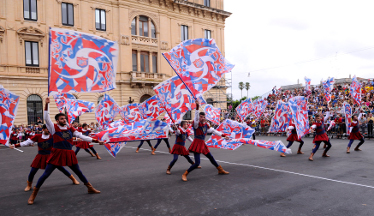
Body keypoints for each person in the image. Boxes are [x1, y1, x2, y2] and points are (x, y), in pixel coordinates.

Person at [27, 97, 104, 205]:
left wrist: (96, 140)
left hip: (69, 153)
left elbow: (81, 136)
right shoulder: (53, 128)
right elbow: (46, 117)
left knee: (79, 172)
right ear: (57, 121)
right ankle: (33, 195)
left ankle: (89, 187)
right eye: (62, 119)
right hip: (57, 154)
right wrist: (46, 104)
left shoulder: (70, 128)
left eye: (65, 118)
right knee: (45, 174)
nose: (65, 120)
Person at [10, 125, 80, 191]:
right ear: (43, 129)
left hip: (51, 156)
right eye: (47, 129)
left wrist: (76, 139)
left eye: (49, 129)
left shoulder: (53, 136)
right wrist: (15, 145)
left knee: (62, 168)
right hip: (40, 156)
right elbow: (27, 142)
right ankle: (29, 185)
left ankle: (73, 179)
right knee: (32, 171)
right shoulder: (38, 136)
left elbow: (65, 139)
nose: (48, 130)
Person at [182, 101, 229, 182]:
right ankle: (185, 174)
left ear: (205, 117)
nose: (202, 118)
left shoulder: (206, 125)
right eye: (201, 117)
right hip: (197, 143)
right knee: (197, 163)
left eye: (203, 117)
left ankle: (220, 169)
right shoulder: (196, 124)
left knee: (211, 157)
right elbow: (196, 119)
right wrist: (197, 107)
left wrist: (224, 135)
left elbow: (214, 131)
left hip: (202, 144)